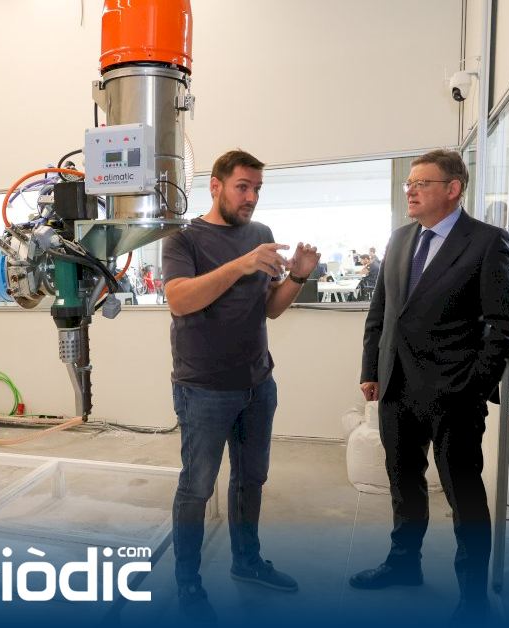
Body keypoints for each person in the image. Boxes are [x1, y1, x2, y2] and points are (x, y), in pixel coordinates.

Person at [355, 150, 509, 622]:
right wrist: (371, 369)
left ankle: (472, 597)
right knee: (402, 484)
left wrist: (473, 388)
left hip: (454, 395)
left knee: (463, 495)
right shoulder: (400, 238)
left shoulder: (486, 242)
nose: (410, 190)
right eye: (409, 183)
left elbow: (506, 326)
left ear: (453, 189)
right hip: (397, 388)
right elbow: (382, 314)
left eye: (422, 183)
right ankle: (403, 564)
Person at [162, 149, 320, 620]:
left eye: (257, 189)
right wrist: (240, 264)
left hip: (257, 384)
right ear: (215, 186)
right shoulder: (183, 239)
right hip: (203, 389)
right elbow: (179, 300)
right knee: (197, 487)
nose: (251, 197)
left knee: (251, 479)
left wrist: (298, 276)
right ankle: (188, 584)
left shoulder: (261, 235)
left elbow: (269, 308)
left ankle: (247, 562)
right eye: (242, 187)